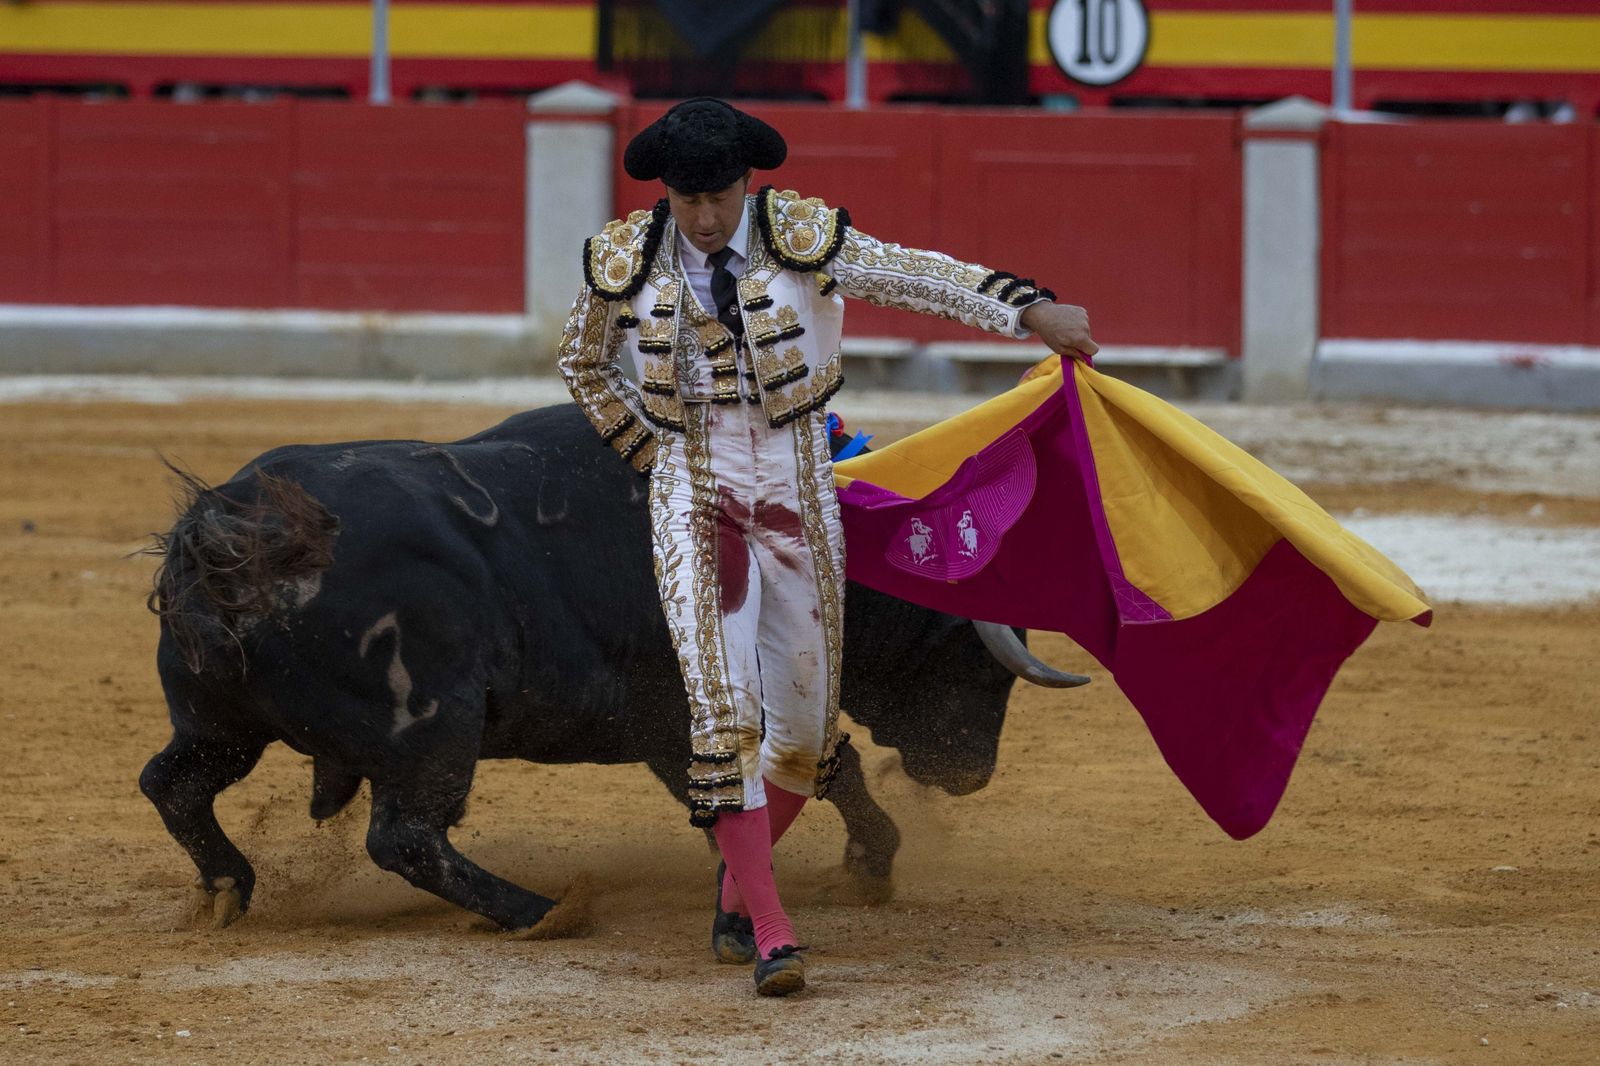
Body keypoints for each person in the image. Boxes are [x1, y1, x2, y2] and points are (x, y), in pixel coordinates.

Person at [556, 97, 1096, 996]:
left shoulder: (801, 236)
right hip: (696, 497)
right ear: (664, 191)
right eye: (687, 199)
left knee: (802, 737)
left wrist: (1027, 308)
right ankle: (771, 932)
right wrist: (651, 455)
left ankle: (738, 889)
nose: (704, 217)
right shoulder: (625, 261)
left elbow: (912, 275)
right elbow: (581, 361)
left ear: (747, 182)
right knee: (725, 717)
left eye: (719, 197)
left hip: (802, 488)